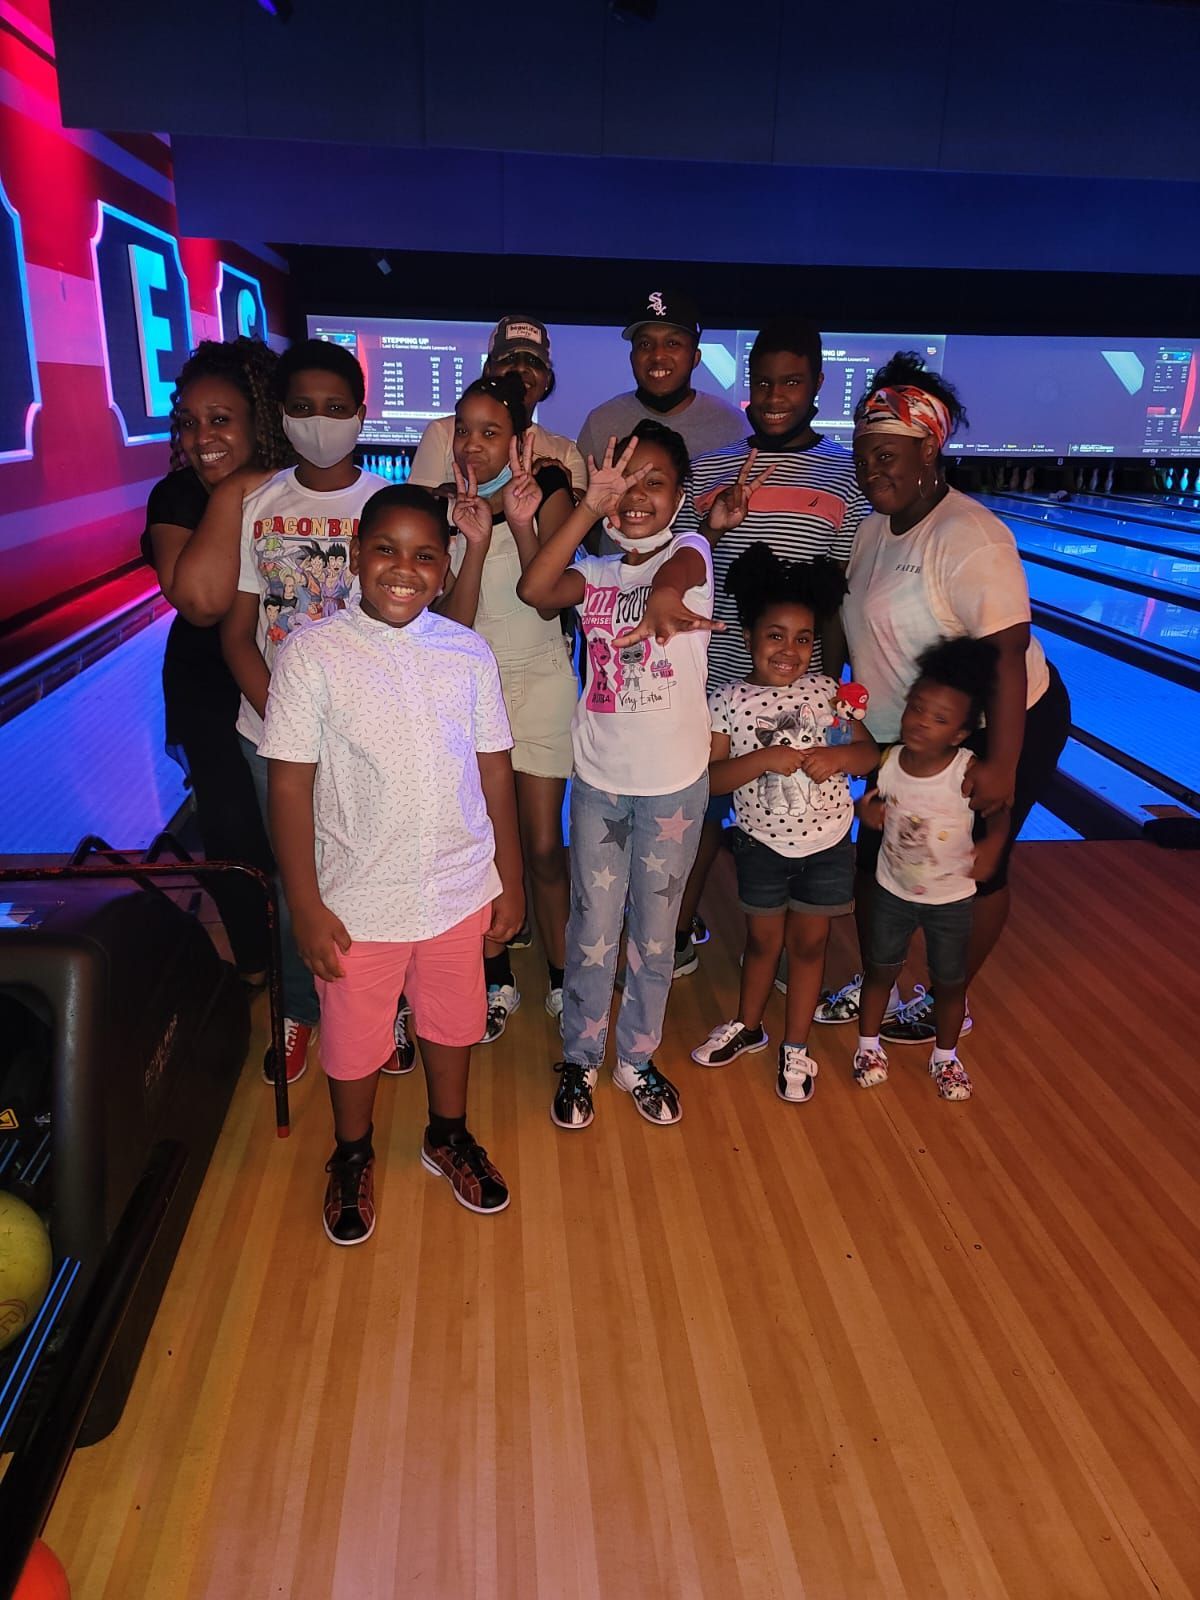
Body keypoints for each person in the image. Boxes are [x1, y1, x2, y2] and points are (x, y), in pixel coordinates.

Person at [260, 485, 523, 1243]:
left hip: (456, 884)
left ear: (444, 571)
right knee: (353, 1038)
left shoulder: (467, 652)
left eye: (423, 556)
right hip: (357, 898)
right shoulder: (313, 654)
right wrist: (305, 905)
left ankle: (448, 1134)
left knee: (451, 1023)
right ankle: (351, 1153)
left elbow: (495, 770)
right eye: (386, 550)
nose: (403, 569)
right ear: (352, 560)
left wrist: (502, 878)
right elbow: (288, 783)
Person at [817, 352, 1071, 1045]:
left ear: (929, 447)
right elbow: (847, 620)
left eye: (888, 454)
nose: (874, 471)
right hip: (906, 732)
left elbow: (1008, 660)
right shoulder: (873, 528)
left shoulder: (969, 537)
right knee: (879, 860)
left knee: (967, 874)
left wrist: (1001, 771)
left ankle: (947, 999)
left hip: (996, 726)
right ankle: (878, 980)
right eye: (865, 456)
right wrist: (840, 703)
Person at [173, 337, 387, 1084]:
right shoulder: (257, 503)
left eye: (335, 409)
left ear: (362, 414)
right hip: (271, 737)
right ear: (282, 416)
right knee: (299, 886)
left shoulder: (382, 508)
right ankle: (300, 1008)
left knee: (368, 876)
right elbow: (237, 634)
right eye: (302, 408)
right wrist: (294, 727)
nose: (318, 421)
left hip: (368, 739)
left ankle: (377, 1007)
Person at [517, 422, 716, 1130]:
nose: (637, 497)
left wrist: (663, 598)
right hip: (599, 781)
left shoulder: (692, 552)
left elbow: (678, 573)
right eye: (624, 483)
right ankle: (579, 1054)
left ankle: (635, 1057)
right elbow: (536, 588)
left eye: (653, 482)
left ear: (680, 496)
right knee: (593, 928)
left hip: (673, 786)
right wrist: (587, 508)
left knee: (654, 935)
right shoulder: (595, 573)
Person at [672, 316, 871, 973]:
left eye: (792, 381)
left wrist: (837, 688)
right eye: (764, 382)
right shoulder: (710, 469)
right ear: (749, 387)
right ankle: (675, 929)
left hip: (799, 693)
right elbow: (677, 564)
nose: (777, 394)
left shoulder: (845, 481)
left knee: (799, 818)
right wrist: (711, 519)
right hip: (715, 681)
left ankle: (791, 951)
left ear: (817, 385)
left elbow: (837, 596)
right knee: (699, 814)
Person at [690, 545, 877, 1101]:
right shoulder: (726, 701)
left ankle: (797, 1046)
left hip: (827, 843)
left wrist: (840, 757)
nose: (790, 650)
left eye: (802, 639)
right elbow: (711, 779)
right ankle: (749, 1026)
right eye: (776, 635)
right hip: (761, 844)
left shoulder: (828, 695)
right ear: (749, 636)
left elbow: (867, 754)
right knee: (762, 941)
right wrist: (761, 761)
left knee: (811, 945)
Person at [142, 338, 290, 981]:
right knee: (234, 835)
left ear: (258, 420)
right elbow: (200, 602)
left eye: (221, 419)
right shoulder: (177, 498)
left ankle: (322, 963)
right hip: (209, 681)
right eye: (190, 422)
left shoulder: (293, 490)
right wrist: (232, 495)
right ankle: (262, 971)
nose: (202, 436)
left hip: (289, 675)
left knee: (306, 836)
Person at [437, 372, 578, 1039]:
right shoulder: (443, 508)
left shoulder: (549, 495)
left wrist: (517, 524)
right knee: (485, 845)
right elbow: (455, 631)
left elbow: (545, 595)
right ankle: (493, 977)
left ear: (519, 439)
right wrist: (475, 543)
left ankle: (560, 971)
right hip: (471, 689)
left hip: (542, 677)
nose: (471, 445)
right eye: (462, 430)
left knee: (545, 846)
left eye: (489, 432)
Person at [853, 639, 1008, 1102]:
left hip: (950, 899)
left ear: (960, 734)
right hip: (892, 891)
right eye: (917, 709)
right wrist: (868, 812)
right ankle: (868, 1046)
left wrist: (995, 844)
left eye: (939, 719)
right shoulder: (890, 761)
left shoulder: (968, 770)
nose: (922, 721)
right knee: (879, 971)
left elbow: (1000, 810)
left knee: (950, 980)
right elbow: (876, 800)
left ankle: (945, 1055)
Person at [409, 315, 586, 493]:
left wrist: (553, 485)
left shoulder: (566, 453)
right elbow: (417, 509)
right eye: (509, 359)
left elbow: (580, 515)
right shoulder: (442, 433)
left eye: (534, 361)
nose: (521, 368)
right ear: (488, 370)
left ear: (547, 379)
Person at [575, 290, 744, 472]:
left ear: (695, 358)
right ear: (632, 357)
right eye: (645, 344)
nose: (657, 356)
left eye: (672, 343)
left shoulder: (733, 425)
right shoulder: (601, 421)